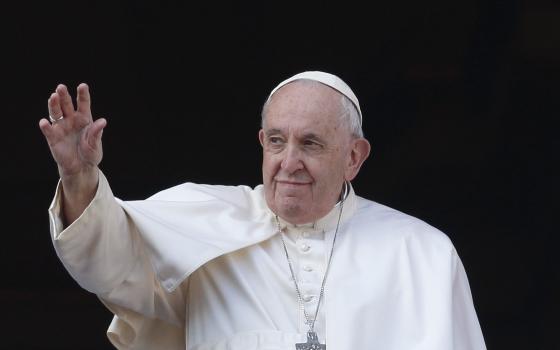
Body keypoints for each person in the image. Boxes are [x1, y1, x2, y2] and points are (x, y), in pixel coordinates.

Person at [39, 71, 487, 350]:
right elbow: (106, 265)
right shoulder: (203, 219)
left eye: (310, 143)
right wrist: (80, 177)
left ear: (354, 157)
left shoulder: (423, 254)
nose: (288, 162)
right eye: (277, 141)